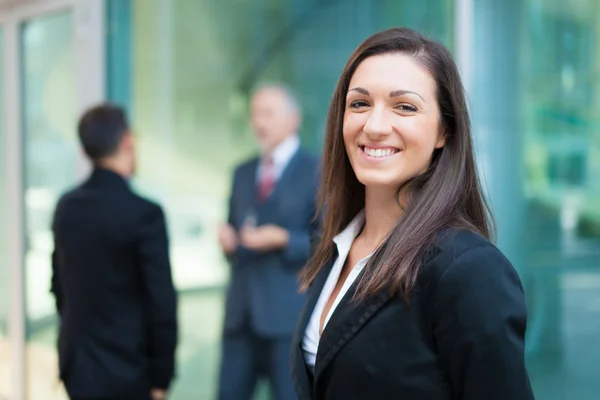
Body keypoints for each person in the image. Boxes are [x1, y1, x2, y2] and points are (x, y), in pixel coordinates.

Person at [290, 28, 534, 400]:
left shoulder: (468, 269)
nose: (373, 126)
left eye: (404, 106)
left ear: (444, 132)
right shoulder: (336, 245)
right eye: (359, 104)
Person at [51, 104, 178, 400]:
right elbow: (162, 303)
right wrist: (162, 376)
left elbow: (59, 286)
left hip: (78, 367)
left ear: (85, 151)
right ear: (127, 141)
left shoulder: (66, 206)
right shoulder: (145, 213)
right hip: (131, 371)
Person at [217, 84, 320, 400]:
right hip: (240, 317)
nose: (258, 122)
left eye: (268, 113)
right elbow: (237, 237)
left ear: (293, 120)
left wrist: (283, 239)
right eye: (254, 114)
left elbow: (327, 244)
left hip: (287, 319)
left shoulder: (317, 171)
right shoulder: (242, 172)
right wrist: (229, 244)